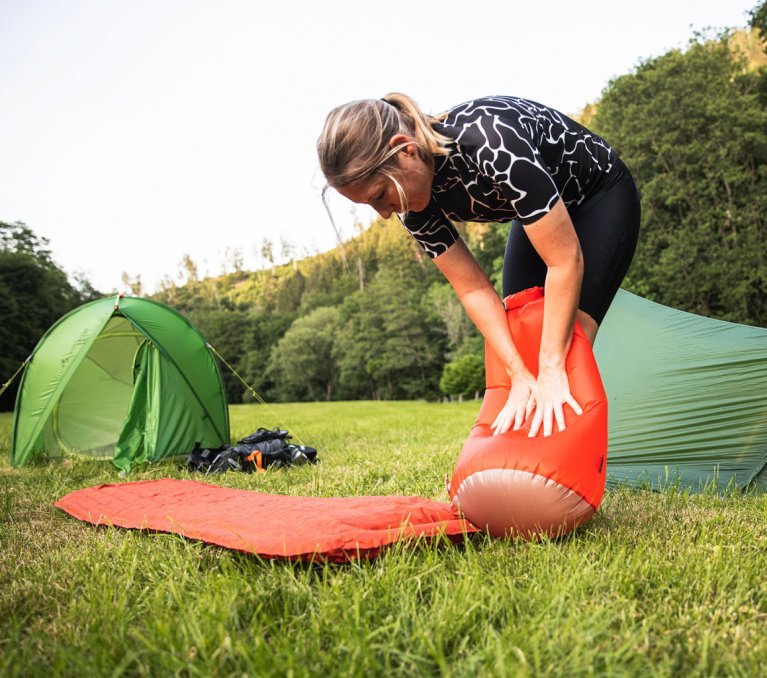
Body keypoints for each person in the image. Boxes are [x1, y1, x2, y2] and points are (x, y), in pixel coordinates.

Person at [317, 94, 640, 438]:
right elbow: (471, 288)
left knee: (566, 348)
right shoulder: (413, 210)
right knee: (522, 340)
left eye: (380, 195)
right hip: (537, 215)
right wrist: (517, 374)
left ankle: (566, 472)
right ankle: (519, 467)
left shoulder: (488, 141)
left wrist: (549, 367)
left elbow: (563, 262)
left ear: (405, 149)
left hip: (599, 194)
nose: (384, 213)